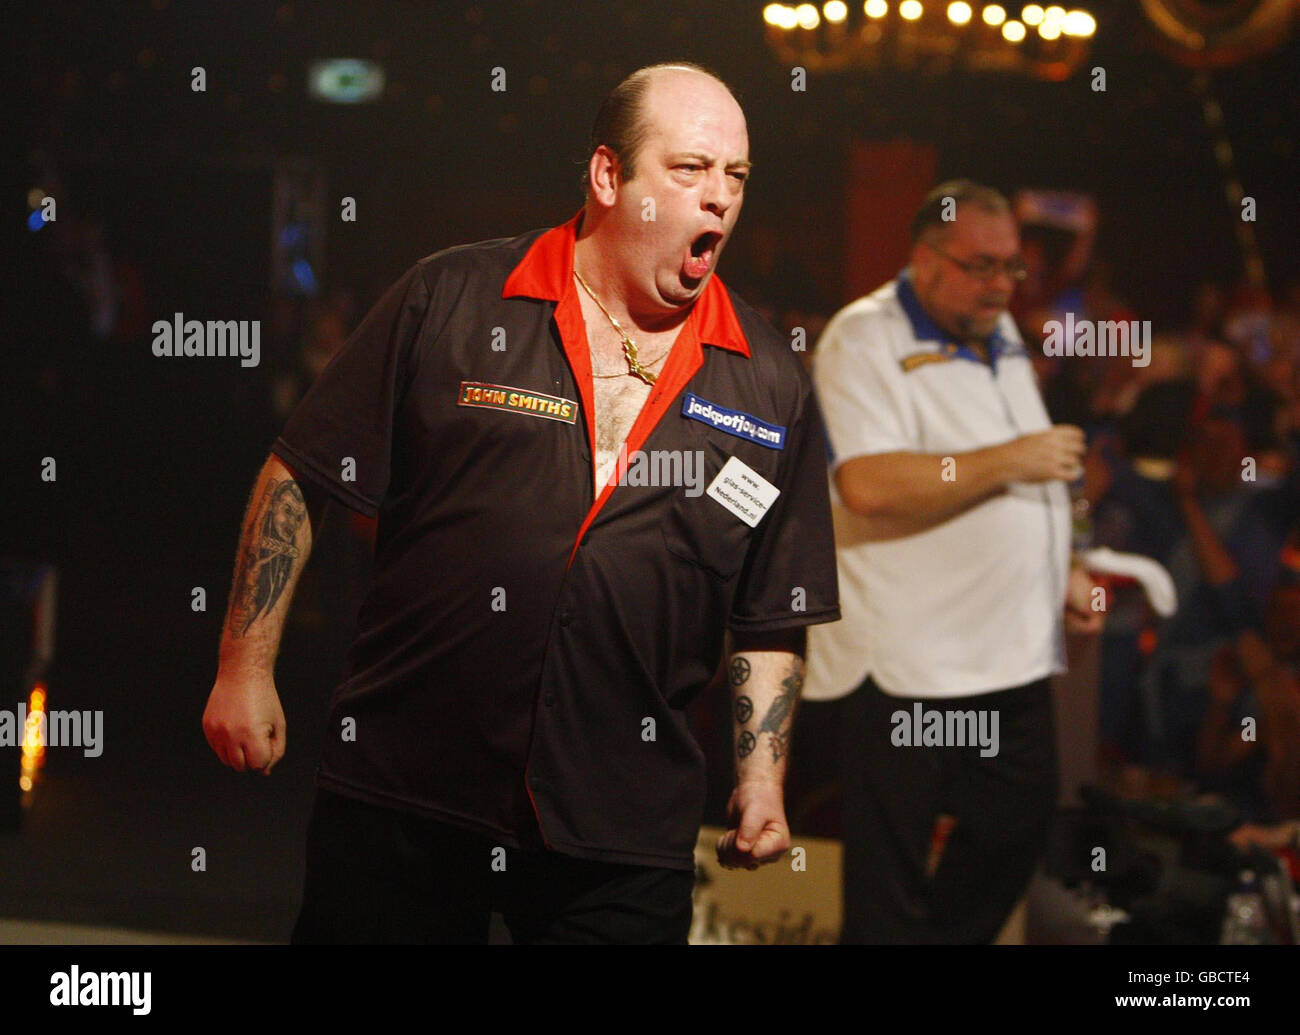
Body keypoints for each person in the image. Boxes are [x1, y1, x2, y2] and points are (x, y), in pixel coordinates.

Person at [201, 62, 840, 945]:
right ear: (608, 176)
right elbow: (302, 474)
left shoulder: (771, 383)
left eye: (735, 177)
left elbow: (770, 615)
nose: (719, 199)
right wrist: (244, 665)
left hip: (622, 825)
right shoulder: (454, 299)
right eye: (689, 170)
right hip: (407, 786)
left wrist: (762, 779)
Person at [804, 180, 1102, 944]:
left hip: (1009, 652)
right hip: (910, 662)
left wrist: (1062, 564)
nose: (1002, 284)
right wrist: (1013, 459)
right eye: (981, 266)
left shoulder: (999, 333)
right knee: (889, 882)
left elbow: (1036, 476)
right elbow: (868, 484)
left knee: (1018, 827)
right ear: (925, 259)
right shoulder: (863, 335)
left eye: (1012, 267)